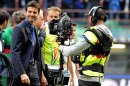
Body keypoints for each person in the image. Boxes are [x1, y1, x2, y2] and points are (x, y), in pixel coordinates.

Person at [59, 6, 113, 86]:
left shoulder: (92, 33)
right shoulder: (109, 35)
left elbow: (70, 51)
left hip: (87, 78)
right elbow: (106, 57)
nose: (88, 19)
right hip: (99, 78)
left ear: (93, 18)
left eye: (89, 17)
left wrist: (60, 47)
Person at [10, 1, 46, 86]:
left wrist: (41, 74)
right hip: (22, 72)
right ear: (26, 12)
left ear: (37, 14)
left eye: (34, 12)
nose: (32, 14)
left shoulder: (34, 28)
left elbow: (37, 50)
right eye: (29, 11)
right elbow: (15, 53)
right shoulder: (18, 29)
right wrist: (22, 73)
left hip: (33, 69)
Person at [41, 6, 74, 85]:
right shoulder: (42, 29)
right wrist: (41, 74)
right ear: (47, 17)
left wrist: (72, 75)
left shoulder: (63, 31)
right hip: (46, 68)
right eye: (51, 16)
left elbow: (68, 56)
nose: (53, 19)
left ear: (59, 18)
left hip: (60, 69)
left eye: (55, 17)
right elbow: (37, 53)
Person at [34, 9, 48, 86]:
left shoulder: (35, 30)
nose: (43, 22)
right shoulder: (34, 30)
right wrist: (42, 31)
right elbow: (39, 43)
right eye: (42, 19)